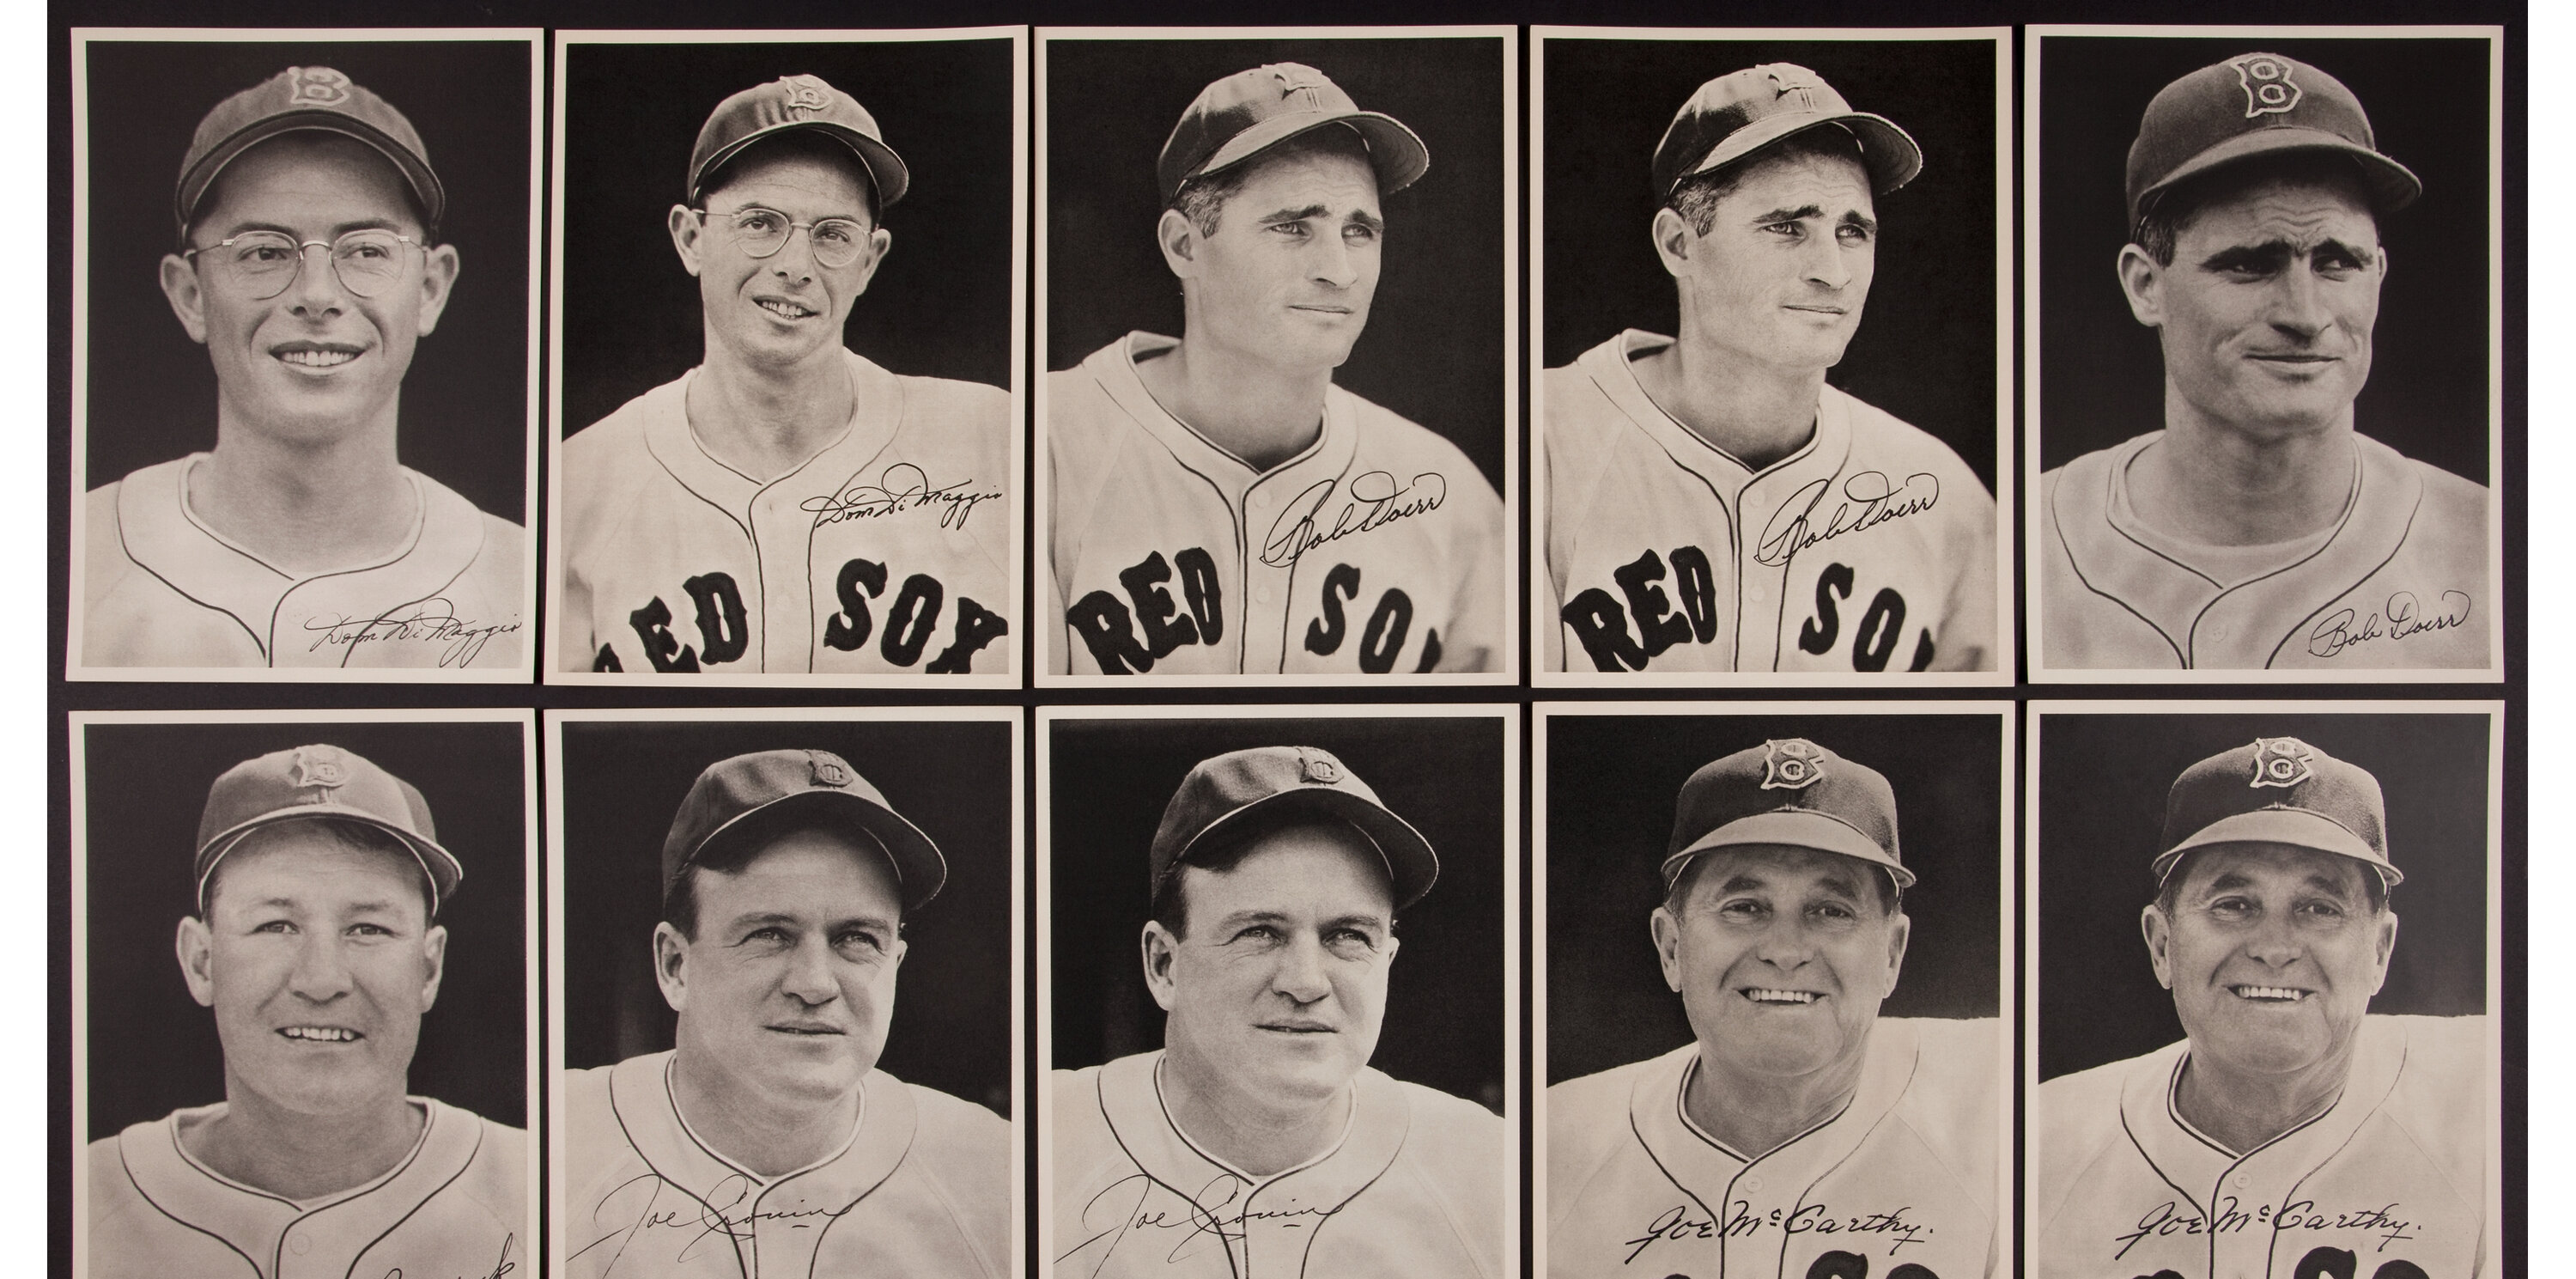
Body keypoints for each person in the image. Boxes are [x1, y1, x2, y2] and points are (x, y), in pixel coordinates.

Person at [1048, 64, 1505, 676]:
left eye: (1359, 230)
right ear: (1184, 245)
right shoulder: (1041, 442)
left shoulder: (1448, 492)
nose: (1339, 271)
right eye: (1293, 227)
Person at [2038, 54, 2490, 671]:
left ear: (2378, 275)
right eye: (2250, 263)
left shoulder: (2501, 552)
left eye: (2337, 262)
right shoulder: (2022, 539)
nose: (2304, 314)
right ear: (2146, 285)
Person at [2035, 737, 2489, 1279]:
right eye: (2234, 903)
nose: (2275, 947)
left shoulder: (2493, 1115)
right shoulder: (2042, 1141)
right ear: (2162, 945)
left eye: (2319, 907)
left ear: (2379, 951)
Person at [1052, 746, 1508, 1279]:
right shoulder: (1032, 1149)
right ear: (1165, 965)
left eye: (1348, 937)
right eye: (1260, 933)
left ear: (1387, 963)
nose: (1306, 982)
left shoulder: (1494, 1175)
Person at [1546, 740, 1999, 1279]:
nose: (1786, 950)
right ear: (1671, 948)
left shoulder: (2005, 1107)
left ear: (1892, 954)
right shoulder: (1548, 1147)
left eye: (1831, 910)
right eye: (1745, 906)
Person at [1544, 64, 1996, 675]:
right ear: (1679, 244)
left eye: (1853, 231)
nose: (1833, 272)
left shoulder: (1941, 494)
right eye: (1788, 227)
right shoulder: (1541, 440)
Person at [559, 749, 1011, 1279]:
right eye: (770, 935)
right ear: (674, 965)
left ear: (895, 966)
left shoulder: (1001, 1178)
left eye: (857, 940)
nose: (816, 983)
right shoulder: (548, 1149)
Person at [559, 76, 1013, 677]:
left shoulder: (995, 440)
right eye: (760, 223)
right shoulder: (580, 480)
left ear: (870, 260)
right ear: (691, 238)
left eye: (833, 235)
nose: (796, 267)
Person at [82, 67, 526, 671]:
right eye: (264, 251)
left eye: (367, 250)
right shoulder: (69, 558)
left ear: (430, 288)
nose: (317, 295)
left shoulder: (523, 579)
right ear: (190, 295)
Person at [86, 744, 526, 1279]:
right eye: (276, 925)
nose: (322, 980)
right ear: (201, 961)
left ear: (428, 970)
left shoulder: (543, 1192)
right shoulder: (73, 1203)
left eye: (368, 929)